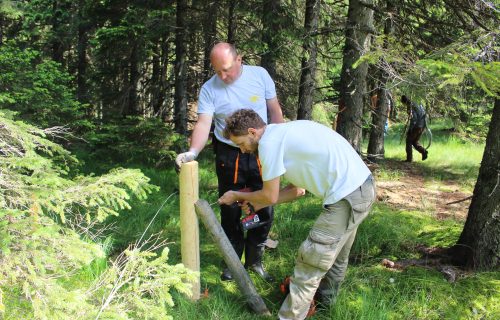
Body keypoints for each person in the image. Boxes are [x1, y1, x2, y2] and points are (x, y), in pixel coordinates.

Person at [218, 109, 376, 320]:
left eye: (241, 143)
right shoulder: (285, 135)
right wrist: (256, 204)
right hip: (360, 188)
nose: (243, 150)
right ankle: (325, 308)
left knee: (311, 262)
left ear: (252, 132)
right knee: (336, 258)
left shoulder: (268, 144)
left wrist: (235, 195)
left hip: (347, 197)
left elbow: (270, 196)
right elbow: (296, 191)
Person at [175, 42, 284, 282]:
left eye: (227, 69)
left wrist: (280, 143)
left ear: (239, 60)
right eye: (217, 71)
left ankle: (255, 261)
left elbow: (274, 110)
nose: (223, 76)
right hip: (229, 153)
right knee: (230, 207)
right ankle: (232, 262)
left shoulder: (260, 76)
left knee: (263, 201)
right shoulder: (209, 89)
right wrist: (192, 152)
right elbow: (204, 123)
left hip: (260, 150)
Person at [401, 95, 428, 162]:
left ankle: (409, 159)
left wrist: (410, 129)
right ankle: (423, 151)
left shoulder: (410, 105)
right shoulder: (417, 103)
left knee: (409, 141)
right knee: (415, 141)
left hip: (417, 126)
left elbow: (414, 118)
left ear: (404, 102)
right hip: (422, 125)